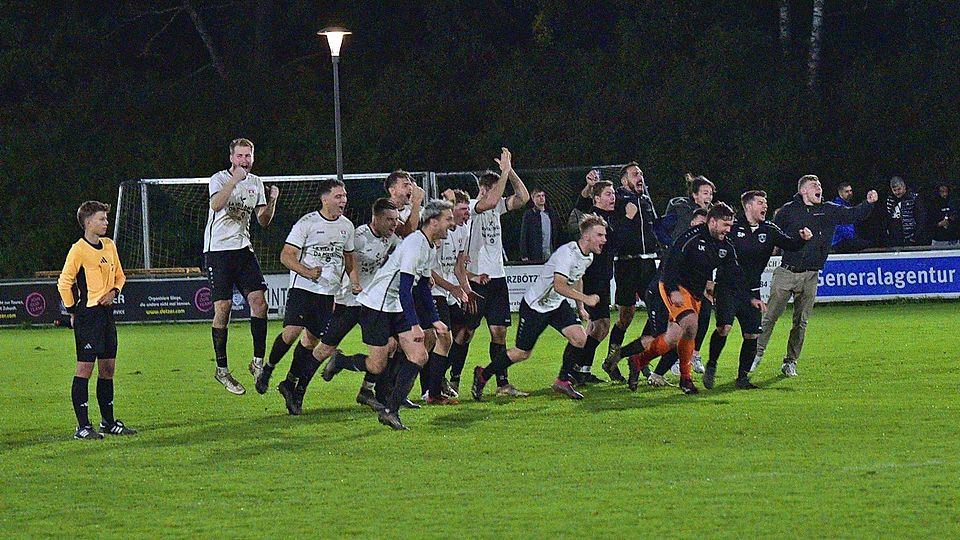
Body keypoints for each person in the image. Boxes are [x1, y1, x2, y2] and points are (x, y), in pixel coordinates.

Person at [471, 215, 607, 401]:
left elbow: (577, 278)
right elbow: (559, 285)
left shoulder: (588, 256)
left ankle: (563, 380)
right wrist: (587, 299)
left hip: (556, 305)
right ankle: (483, 374)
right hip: (536, 306)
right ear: (586, 236)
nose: (604, 239)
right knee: (522, 353)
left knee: (580, 338)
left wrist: (580, 307)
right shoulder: (566, 253)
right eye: (599, 235)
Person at [752, 175, 878, 377]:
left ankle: (790, 362)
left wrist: (869, 204)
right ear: (803, 191)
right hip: (787, 272)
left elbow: (853, 215)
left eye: (819, 184)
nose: (819, 188)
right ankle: (755, 354)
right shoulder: (788, 211)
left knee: (801, 322)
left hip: (811, 275)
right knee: (770, 316)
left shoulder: (828, 210)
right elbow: (771, 234)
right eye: (814, 185)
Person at [259, 179, 358, 415]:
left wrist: (353, 280)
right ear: (324, 199)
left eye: (344, 196)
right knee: (292, 331)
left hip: (327, 292)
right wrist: (306, 272)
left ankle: (290, 382)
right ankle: (268, 368)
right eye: (338, 196)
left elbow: (349, 257)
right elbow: (286, 255)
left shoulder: (347, 226)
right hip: (303, 287)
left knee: (311, 340)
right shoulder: (307, 223)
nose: (343, 200)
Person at [355, 199, 454, 430]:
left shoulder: (429, 246)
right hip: (377, 304)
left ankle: (391, 411)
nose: (452, 224)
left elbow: (420, 287)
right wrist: (415, 324)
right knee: (376, 365)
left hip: (395, 305)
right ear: (432, 221)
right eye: (447, 219)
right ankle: (341, 361)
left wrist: (433, 319)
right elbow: (406, 287)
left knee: (419, 356)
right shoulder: (414, 244)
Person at [625, 203, 742, 395]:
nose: (728, 230)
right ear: (712, 222)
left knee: (671, 340)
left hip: (694, 292)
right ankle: (685, 379)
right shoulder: (691, 237)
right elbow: (670, 262)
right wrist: (672, 290)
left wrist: (742, 295)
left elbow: (733, 272)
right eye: (725, 225)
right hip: (674, 286)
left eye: (730, 226)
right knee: (690, 324)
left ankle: (638, 360)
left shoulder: (725, 245)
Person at [703, 191, 811, 389]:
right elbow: (712, 252)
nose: (765, 206)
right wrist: (710, 281)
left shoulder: (768, 229)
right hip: (728, 288)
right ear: (748, 206)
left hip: (752, 291)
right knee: (724, 328)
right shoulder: (732, 229)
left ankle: (742, 378)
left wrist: (802, 239)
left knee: (752, 335)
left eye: (766, 203)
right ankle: (711, 363)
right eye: (761, 202)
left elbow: (789, 244)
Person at [449, 147, 530, 398]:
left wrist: (510, 171)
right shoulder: (474, 206)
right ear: (483, 190)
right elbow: (492, 200)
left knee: (499, 332)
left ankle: (502, 384)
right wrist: (503, 172)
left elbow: (523, 197)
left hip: (497, 280)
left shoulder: (496, 208)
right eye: (492, 189)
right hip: (476, 282)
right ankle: (453, 380)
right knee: (465, 333)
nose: (497, 194)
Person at [203, 138, 278, 395]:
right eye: (240, 156)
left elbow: (263, 221)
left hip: (243, 249)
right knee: (223, 308)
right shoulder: (219, 179)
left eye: (248, 156)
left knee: (260, 302)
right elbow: (216, 205)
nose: (244, 161)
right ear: (231, 158)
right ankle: (222, 370)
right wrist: (234, 180)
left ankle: (257, 363)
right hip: (218, 252)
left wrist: (272, 201)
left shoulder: (256, 182)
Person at [311, 198, 401, 412]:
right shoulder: (359, 238)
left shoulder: (391, 239)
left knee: (390, 346)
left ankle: (366, 389)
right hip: (349, 301)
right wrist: (335, 294)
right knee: (324, 348)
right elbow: (341, 264)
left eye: (396, 220)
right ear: (376, 219)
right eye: (389, 220)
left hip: (371, 303)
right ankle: (297, 384)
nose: (394, 224)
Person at [57, 201, 137, 439]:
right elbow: (64, 282)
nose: (106, 223)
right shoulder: (78, 250)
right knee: (85, 369)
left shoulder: (110, 246)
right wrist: (72, 311)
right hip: (87, 317)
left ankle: (108, 422)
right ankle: (82, 427)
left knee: (108, 369)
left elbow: (120, 276)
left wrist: (114, 292)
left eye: (106, 219)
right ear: (88, 222)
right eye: (102, 219)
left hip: (106, 317)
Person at [603, 162, 661, 381]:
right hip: (626, 264)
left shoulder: (645, 200)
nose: (641, 177)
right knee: (625, 316)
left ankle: (639, 355)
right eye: (636, 174)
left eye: (642, 174)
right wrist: (626, 218)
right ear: (624, 180)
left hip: (648, 264)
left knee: (657, 308)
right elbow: (613, 234)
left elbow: (654, 227)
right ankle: (612, 359)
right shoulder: (616, 200)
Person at [565, 178, 619, 385]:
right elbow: (579, 208)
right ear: (596, 198)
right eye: (608, 194)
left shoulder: (612, 217)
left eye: (613, 193)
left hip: (604, 277)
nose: (612, 197)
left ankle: (580, 369)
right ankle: (574, 368)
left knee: (599, 327)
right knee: (600, 325)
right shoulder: (592, 217)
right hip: (591, 277)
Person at [519, 188, 562, 262]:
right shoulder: (529, 214)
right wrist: (524, 254)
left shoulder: (551, 213)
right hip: (535, 253)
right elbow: (524, 235)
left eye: (543, 195)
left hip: (551, 251)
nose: (541, 198)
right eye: (538, 196)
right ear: (533, 198)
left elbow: (557, 232)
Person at [883, 176, 925, 247]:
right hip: (895, 240)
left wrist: (916, 236)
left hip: (912, 240)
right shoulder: (890, 200)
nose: (897, 192)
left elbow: (921, 218)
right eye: (894, 190)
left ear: (904, 186)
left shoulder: (914, 198)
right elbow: (887, 218)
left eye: (899, 189)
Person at [831, 182, 873, 253]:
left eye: (850, 191)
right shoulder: (837, 206)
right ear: (840, 193)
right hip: (840, 241)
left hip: (847, 240)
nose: (850, 193)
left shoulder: (847, 204)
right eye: (846, 191)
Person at [384, 170, 425, 238]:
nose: (410, 188)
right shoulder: (384, 210)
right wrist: (416, 203)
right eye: (405, 185)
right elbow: (408, 234)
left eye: (410, 185)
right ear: (392, 191)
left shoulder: (417, 209)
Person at [929, 183, 959, 248]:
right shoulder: (932, 204)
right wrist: (938, 224)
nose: (945, 194)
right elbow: (928, 221)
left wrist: (951, 219)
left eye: (946, 191)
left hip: (954, 239)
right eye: (942, 192)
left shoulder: (954, 202)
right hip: (938, 239)